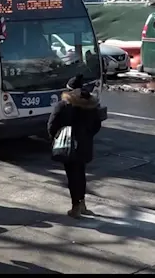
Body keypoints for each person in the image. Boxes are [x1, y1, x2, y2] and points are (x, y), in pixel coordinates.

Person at [47, 74, 102, 218]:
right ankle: (82, 203)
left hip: (68, 145)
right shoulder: (90, 104)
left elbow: (51, 125)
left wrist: (56, 138)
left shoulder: (63, 105)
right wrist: (88, 136)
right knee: (81, 174)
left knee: (72, 176)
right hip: (85, 145)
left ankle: (75, 206)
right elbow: (97, 124)